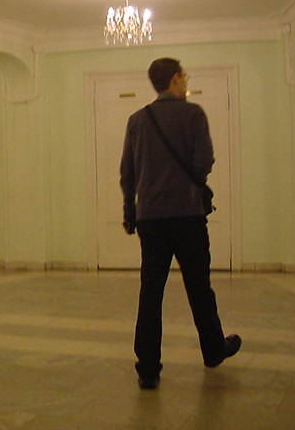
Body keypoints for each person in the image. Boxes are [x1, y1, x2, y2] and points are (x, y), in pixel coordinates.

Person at [120, 57, 241, 390]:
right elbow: (204, 161)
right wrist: (188, 181)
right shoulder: (193, 114)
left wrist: (130, 211)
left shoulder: (137, 120)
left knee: (150, 292)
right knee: (199, 287)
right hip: (188, 216)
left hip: (151, 219)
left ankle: (147, 369)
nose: (186, 82)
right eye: (184, 76)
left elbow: (128, 171)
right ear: (175, 79)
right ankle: (213, 350)